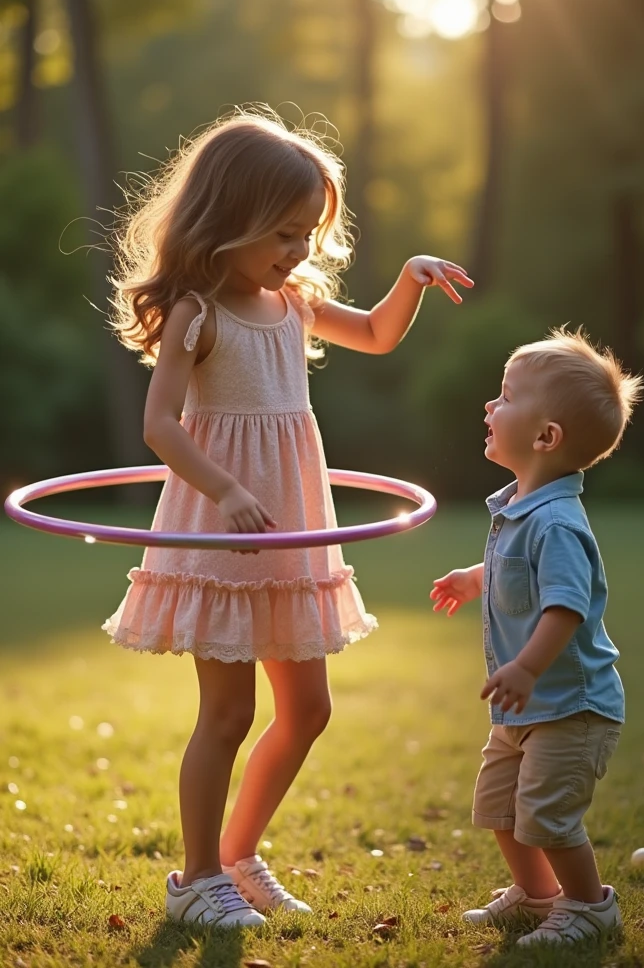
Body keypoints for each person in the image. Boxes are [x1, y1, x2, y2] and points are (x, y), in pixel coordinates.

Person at [103, 106, 474, 929]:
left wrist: (409, 276)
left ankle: (237, 857)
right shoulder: (199, 314)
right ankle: (198, 878)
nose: (298, 250)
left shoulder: (296, 303)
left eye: (307, 233)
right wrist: (228, 489)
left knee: (309, 711)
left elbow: (377, 333)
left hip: (293, 528)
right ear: (225, 221)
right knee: (229, 713)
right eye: (282, 233)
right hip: (226, 525)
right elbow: (159, 425)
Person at [430, 328, 643, 946]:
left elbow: (565, 606)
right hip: (525, 705)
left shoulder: (557, 522)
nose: (490, 408)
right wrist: (476, 578)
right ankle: (537, 896)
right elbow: (514, 570)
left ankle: (588, 905)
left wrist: (524, 667)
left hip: (569, 706)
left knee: (547, 818)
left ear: (546, 437)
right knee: (500, 806)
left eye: (505, 397)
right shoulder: (521, 508)